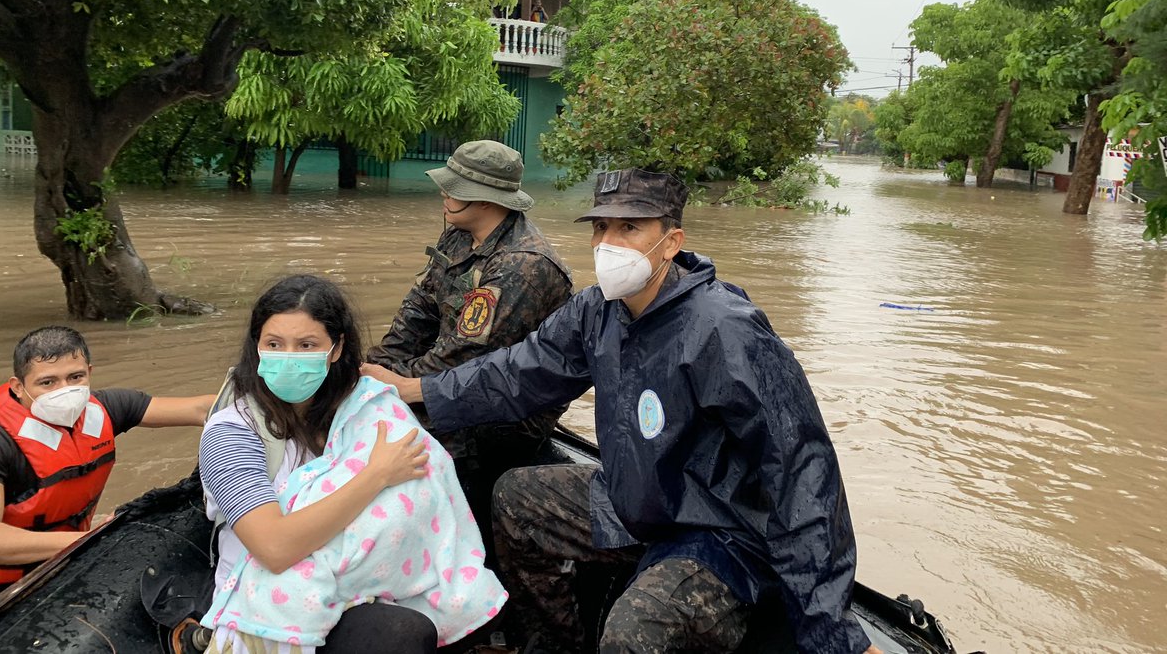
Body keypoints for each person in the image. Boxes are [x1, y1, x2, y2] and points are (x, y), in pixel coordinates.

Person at [366, 169, 886, 654]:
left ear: (671, 243)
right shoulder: (597, 312)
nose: (609, 244)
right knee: (518, 499)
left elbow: (802, 473)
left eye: (630, 228)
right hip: (639, 501)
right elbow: (517, 373)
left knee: (633, 629)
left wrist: (832, 632)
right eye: (602, 228)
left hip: (719, 532)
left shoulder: (725, 330)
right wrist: (416, 389)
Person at [199, 274, 506, 654]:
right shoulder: (232, 434)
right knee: (402, 632)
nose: (290, 357)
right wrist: (376, 475)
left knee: (460, 602)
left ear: (336, 348)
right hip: (268, 597)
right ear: (256, 347)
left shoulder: (360, 411)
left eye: (307, 344)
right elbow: (274, 547)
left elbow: (423, 489)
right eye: (275, 344)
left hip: (363, 579)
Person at [366, 140, 572, 491]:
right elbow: (420, 308)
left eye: (454, 188)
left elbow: (466, 357)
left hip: (505, 413)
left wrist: (390, 384)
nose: (443, 193)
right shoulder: (459, 233)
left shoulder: (521, 266)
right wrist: (378, 367)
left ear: (485, 199)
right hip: (450, 378)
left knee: (389, 443)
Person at [0, 326, 215, 605]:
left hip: (62, 559)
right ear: (18, 387)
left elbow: (202, 409)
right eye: (48, 383)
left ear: (90, 373)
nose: (65, 391)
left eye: (75, 377)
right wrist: (92, 539)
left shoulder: (105, 408)